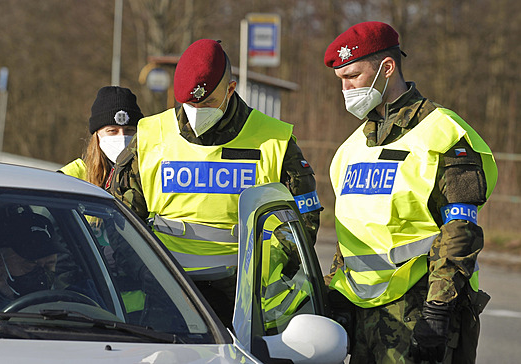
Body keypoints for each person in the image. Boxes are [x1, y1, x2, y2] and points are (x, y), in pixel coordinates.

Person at [110, 39, 322, 327]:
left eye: (208, 101)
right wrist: (145, 273)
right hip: (165, 290)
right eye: (190, 103)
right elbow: (122, 218)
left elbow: (302, 221)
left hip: (244, 299)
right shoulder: (150, 135)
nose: (198, 110)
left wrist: (260, 274)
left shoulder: (274, 140)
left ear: (231, 90)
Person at [322, 21, 498, 363]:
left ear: (387, 68)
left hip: (420, 312)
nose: (346, 88)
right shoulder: (352, 147)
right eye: (340, 80)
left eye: (353, 76)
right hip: (363, 316)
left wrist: (438, 310)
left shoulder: (444, 133)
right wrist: (335, 295)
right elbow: (351, 233)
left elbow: (460, 231)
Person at [60, 86, 144, 190]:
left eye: (129, 130)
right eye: (112, 131)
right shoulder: (70, 177)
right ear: (97, 135)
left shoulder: (147, 171)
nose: (122, 137)